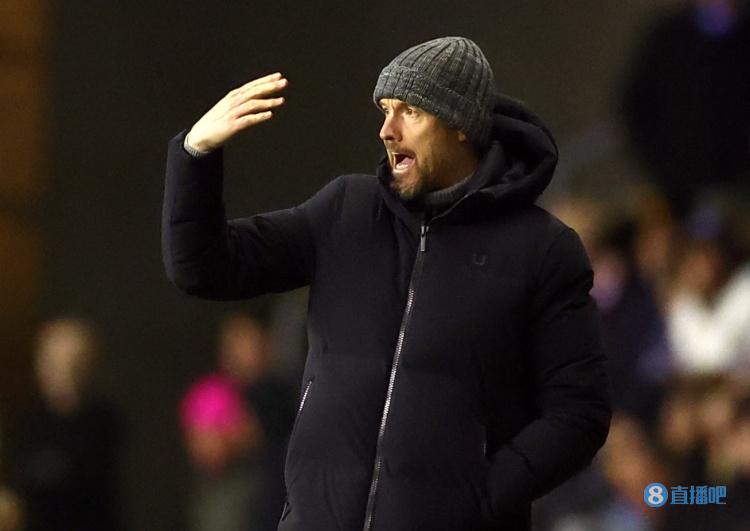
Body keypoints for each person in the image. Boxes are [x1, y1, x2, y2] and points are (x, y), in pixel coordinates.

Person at [162, 36, 611, 531]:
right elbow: (205, 268)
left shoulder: (543, 249)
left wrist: (477, 500)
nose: (387, 130)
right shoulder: (345, 211)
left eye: (409, 112)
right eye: (385, 110)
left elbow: (579, 414)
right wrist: (195, 154)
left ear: (460, 124)